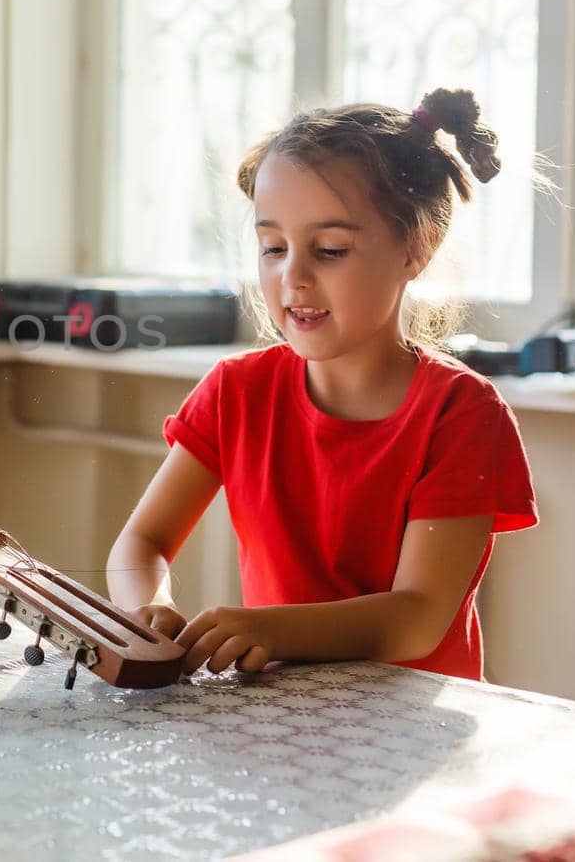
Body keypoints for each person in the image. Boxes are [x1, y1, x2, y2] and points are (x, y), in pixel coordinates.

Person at [107, 88, 538, 682]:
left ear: (417, 246)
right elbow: (142, 542)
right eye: (273, 247)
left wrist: (271, 628)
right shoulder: (236, 392)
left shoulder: (461, 413)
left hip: (408, 734)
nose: (294, 277)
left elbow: (417, 619)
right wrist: (144, 610)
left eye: (330, 249)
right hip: (278, 721)